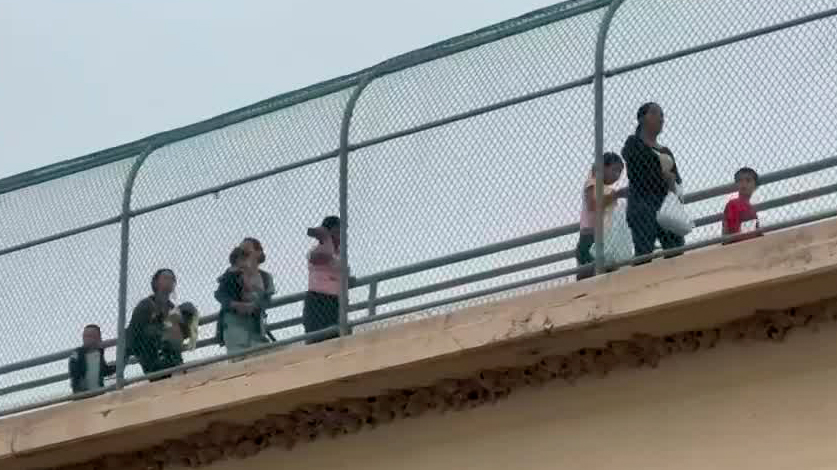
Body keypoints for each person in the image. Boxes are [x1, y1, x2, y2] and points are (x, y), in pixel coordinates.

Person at [621, 102, 686, 263]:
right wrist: (663, 175)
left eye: (662, 115)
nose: (661, 118)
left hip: (666, 204)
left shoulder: (665, 150)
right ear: (642, 118)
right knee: (644, 252)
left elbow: (676, 178)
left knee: (676, 249)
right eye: (655, 113)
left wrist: (671, 182)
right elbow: (638, 171)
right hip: (643, 205)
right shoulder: (633, 144)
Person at [215, 239, 275, 354]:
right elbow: (220, 294)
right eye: (241, 252)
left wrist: (255, 305)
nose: (243, 255)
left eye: (247, 252)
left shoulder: (265, 277)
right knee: (239, 355)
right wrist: (235, 305)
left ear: (258, 253)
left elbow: (267, 300)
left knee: (262, 353)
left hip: (256, 324)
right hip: (234, 322)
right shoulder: (231, 274)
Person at [126, 269, 185, 381]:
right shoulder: (145, 305)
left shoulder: (172, 307)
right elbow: (134, 332)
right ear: (156, 282)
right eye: (166, 278)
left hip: (172, 356)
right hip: (152, 356)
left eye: (172, 279)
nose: (170, 281)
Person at [575, 152, 627, 280]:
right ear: (603, 167)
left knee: (608, 272)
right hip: (591, 236)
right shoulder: (593, 183)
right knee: (589, 274)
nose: (617, 175)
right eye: (614, 170)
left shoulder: (607, 190)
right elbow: (593, 205)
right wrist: (616, 195)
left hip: (606, 237)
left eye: (620, 172)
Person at [304, 216, 349, 344]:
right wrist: (326, 238)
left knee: (338, 337)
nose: (341, 236)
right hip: (319, 300)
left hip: (336, 301)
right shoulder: (317, 250)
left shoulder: (340, 254)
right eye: (337, 232)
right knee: (318, 339)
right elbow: (323, 256)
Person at [68, 324, 115, 394]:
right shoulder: (77, 353)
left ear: (98, 338)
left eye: (90, 336)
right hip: (83, 394)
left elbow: (103, 371)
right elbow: (74, 375)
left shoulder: (99, 352)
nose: (86, 339)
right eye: (85, 336)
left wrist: (115, 367)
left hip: (99, 392)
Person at [722, 167, 762, 243]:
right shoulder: (733, 204)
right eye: (740, 181)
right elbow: (732, 233)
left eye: (748, 180)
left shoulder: (751, 208)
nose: (744, 184)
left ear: (755, 186)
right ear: (736, 185)